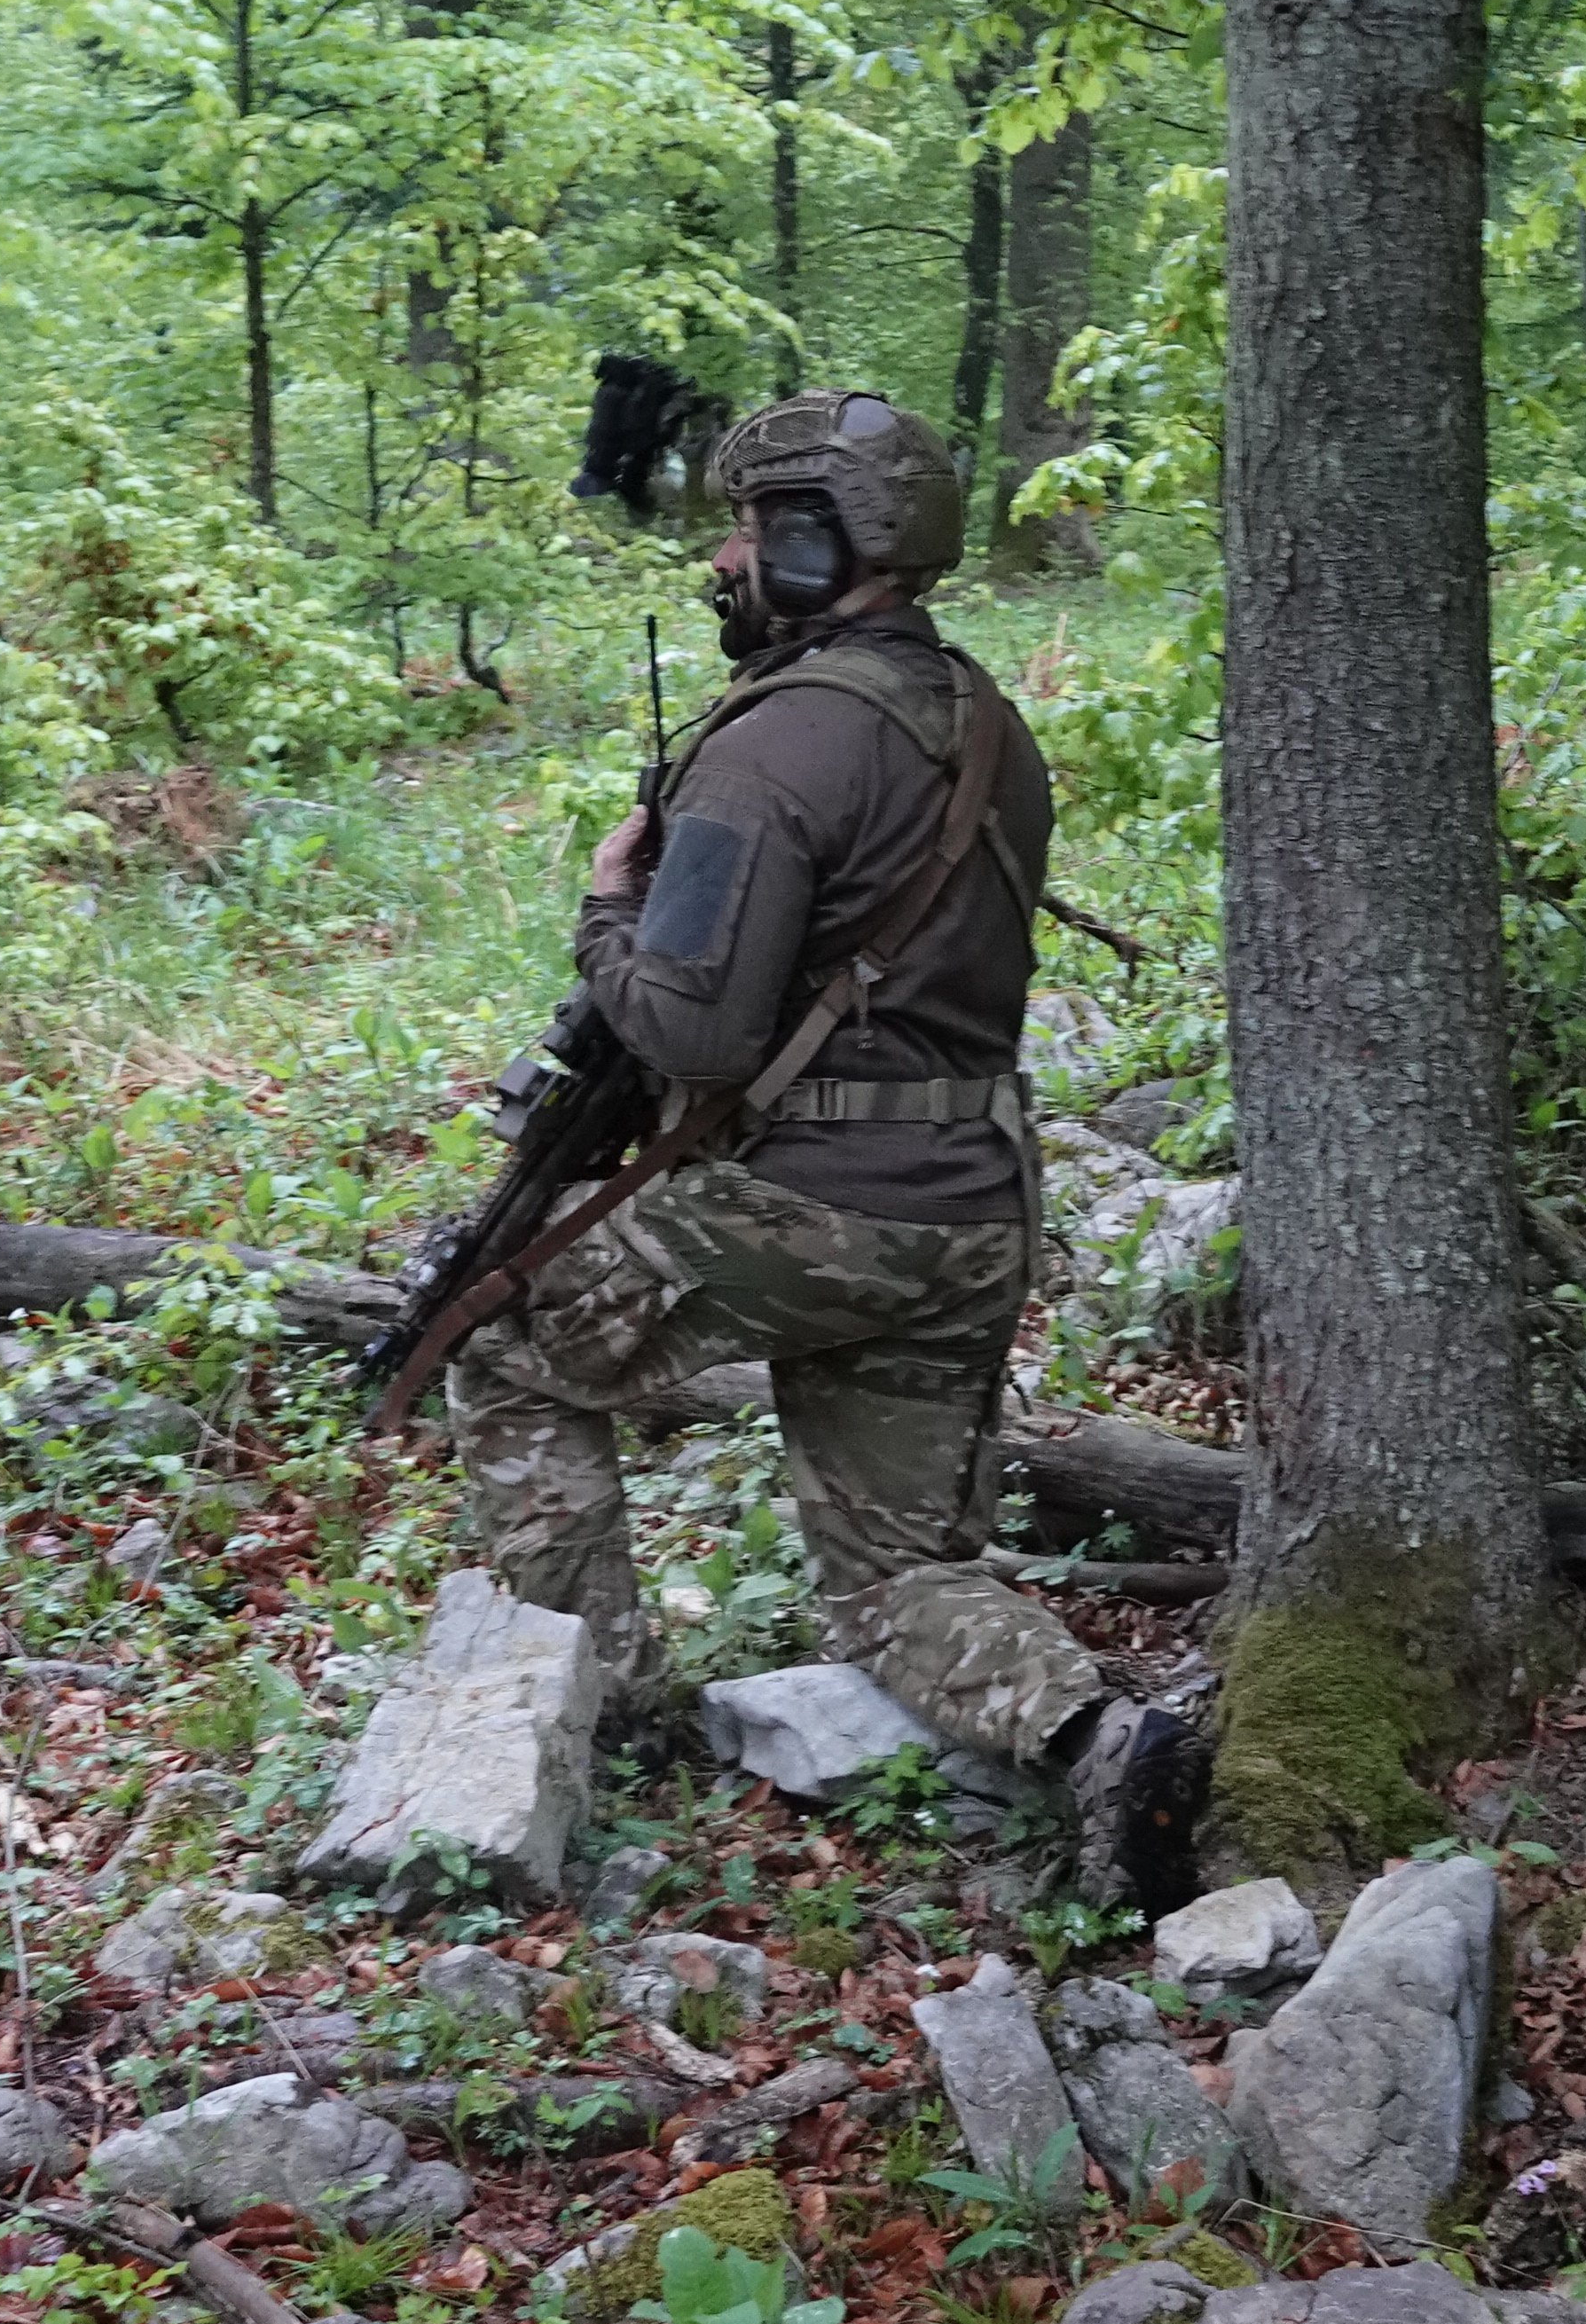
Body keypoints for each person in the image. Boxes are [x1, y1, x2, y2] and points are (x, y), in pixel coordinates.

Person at [446, 387, 1205, 1896]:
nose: (723, 559)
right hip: (972, 1207)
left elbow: (694, 1032)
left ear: (816, 541)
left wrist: (605, 912)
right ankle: (1101, 1742)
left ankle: (614, 1709)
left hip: (807, 1212)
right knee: (892, 1576)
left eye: (747, 529)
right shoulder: (983, 722)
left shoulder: (774, 745)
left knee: (501, 1342)